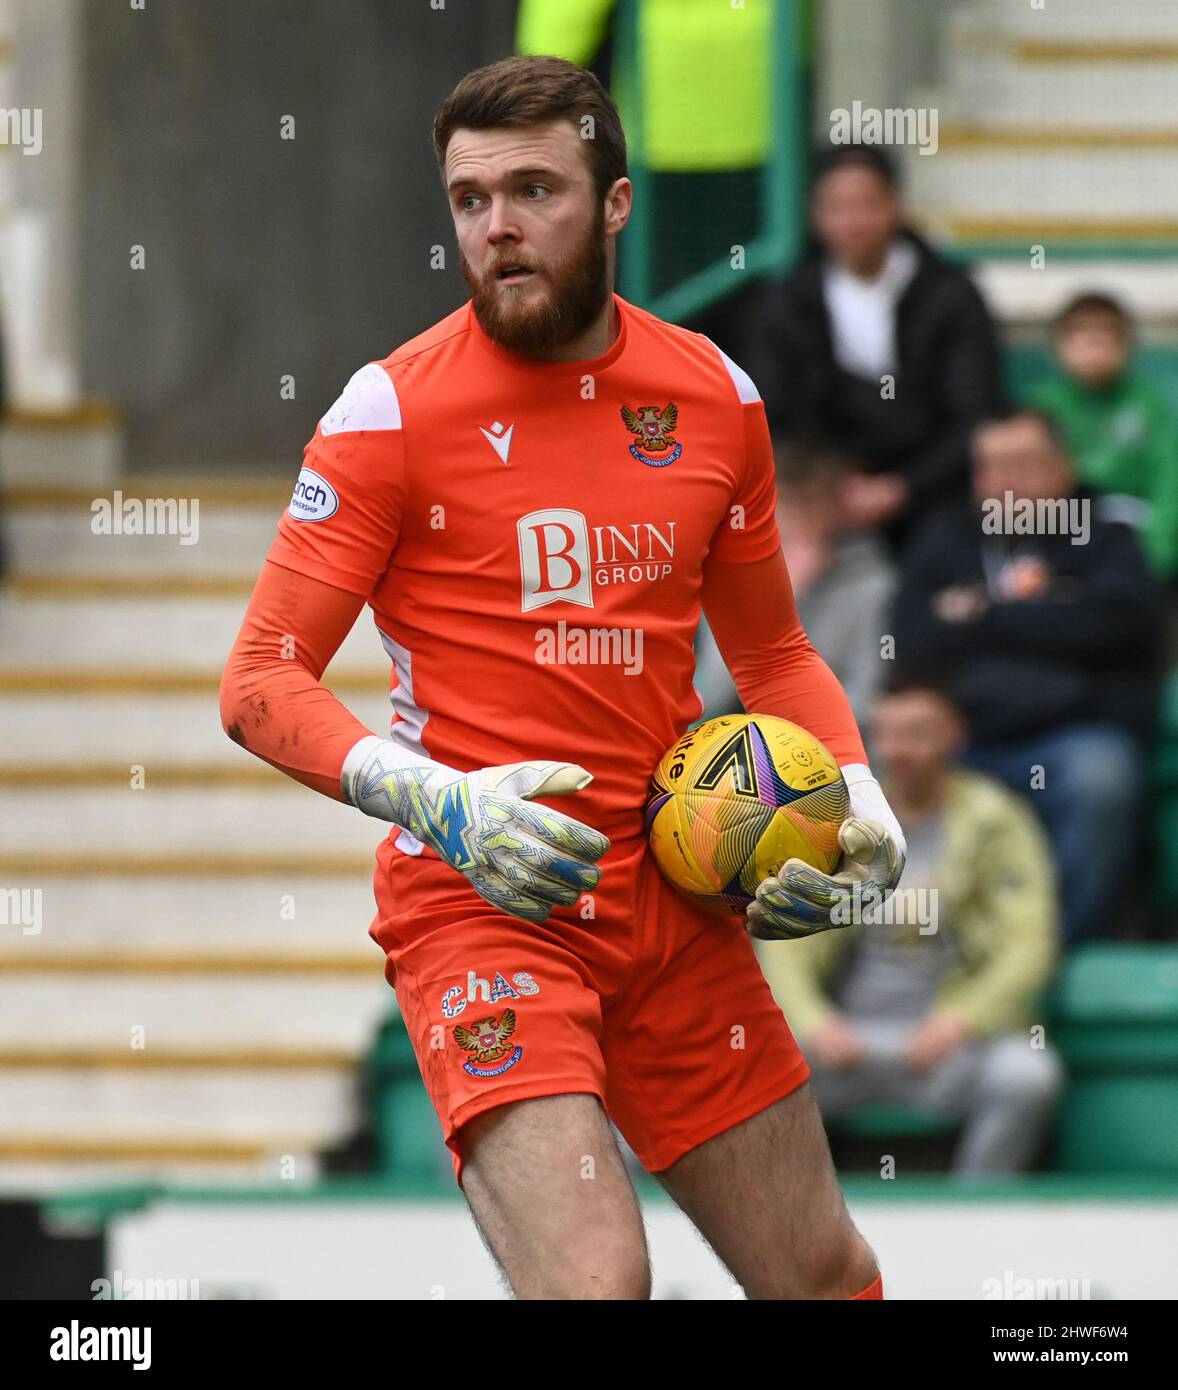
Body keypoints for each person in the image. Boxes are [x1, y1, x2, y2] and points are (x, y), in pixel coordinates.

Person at [220, 55, 906, 1301]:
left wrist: (862, 797)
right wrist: (434, 798)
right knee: (597, 1284)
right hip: (483, 897)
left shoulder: (715, 398)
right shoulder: (384, 412)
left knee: (821, 1274)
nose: (497, 226)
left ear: (615, 205)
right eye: (470, 200)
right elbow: (261, 679)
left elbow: (772, 655)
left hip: (672, 891)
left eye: (532, 189)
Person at [757, 672, 1063, 1177]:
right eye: (887, 734)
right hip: (844, 1044)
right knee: (742, 1070)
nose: (900, 750)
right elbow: (787, 939)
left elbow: (1030, 945)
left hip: (949, 1045)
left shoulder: (996, 820)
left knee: (1028, 1075)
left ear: (954, 735)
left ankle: (978, 1212)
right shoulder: (837, 820)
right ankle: (799, 1228)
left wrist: (962, 1019)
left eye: (918, 733)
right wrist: (814, 1021)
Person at [891, 411, 1164, 944]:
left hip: (1069, 736)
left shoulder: (1107, 539)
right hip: (961, 737)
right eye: (988, 466)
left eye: (1021, 464)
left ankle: (1041, 947)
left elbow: (1117, 631)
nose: (1003, 482)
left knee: (1100, 777)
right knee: (868, 766)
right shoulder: (945, 535)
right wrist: (1049, 619)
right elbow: (914, 639)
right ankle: (936, 947)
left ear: (1063, 467)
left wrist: (983, 614)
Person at [738, 144, 1004, 544]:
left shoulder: (951, 294)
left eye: (867, 204)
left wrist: (903, 487)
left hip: (937, 496)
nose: (853, 222)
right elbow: (773, 409)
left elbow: (975, 412)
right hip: (821, 495)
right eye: (837, 207)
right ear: (816, 215)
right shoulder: (787, 300)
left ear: (896, 206)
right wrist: (834, 485)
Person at [695, 441, 897, 723]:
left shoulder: (870, 582)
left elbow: (866, 697)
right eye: (786, 503)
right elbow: (713, 693)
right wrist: (778, 594)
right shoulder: (727, 574)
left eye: (813, 502)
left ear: (838, 506)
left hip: (826, 747)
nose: (801, 519)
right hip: (732, 736)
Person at [1028, 292, 1178, 584]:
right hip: (1062, 538)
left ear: (1128, 347)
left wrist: (1155, 556)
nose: (1095, 346)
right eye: (1082, 334)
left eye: (1108, 335)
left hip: (1137, 538)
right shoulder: (1040, 408)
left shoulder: (1148, 406)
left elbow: (1169, 482)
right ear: (1058, 347)